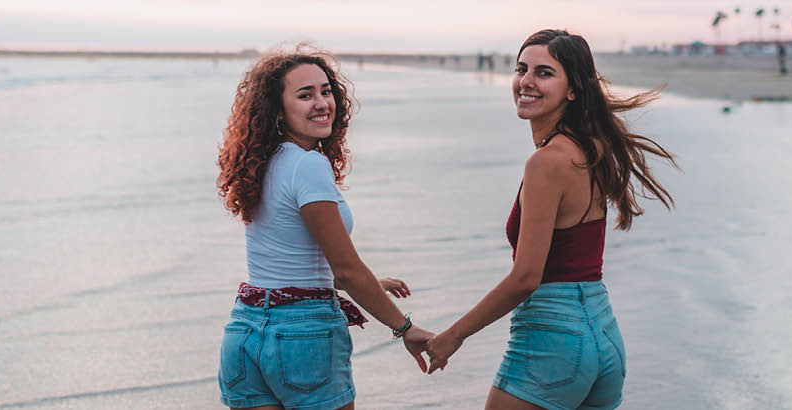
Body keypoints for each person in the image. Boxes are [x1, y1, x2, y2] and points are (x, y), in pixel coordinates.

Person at [424, 29, 677, 410]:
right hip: (604, 337)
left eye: (544, 72)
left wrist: (453, 336)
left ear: (572, 89)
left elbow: (526, 278)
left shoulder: (546, 162)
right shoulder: (590, 148)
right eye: (521, 68)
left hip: (554, 341)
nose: (526, 81)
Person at [215, 47, 433, 410]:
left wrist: (369, 285)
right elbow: (347, 272)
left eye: (326, 91)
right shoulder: (308, 165)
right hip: (301, 339)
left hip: (244, 331)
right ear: (277, 109)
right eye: (305, 95)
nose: (321, 103)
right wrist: (405, 329)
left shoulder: (259, 164)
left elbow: (289, 259)